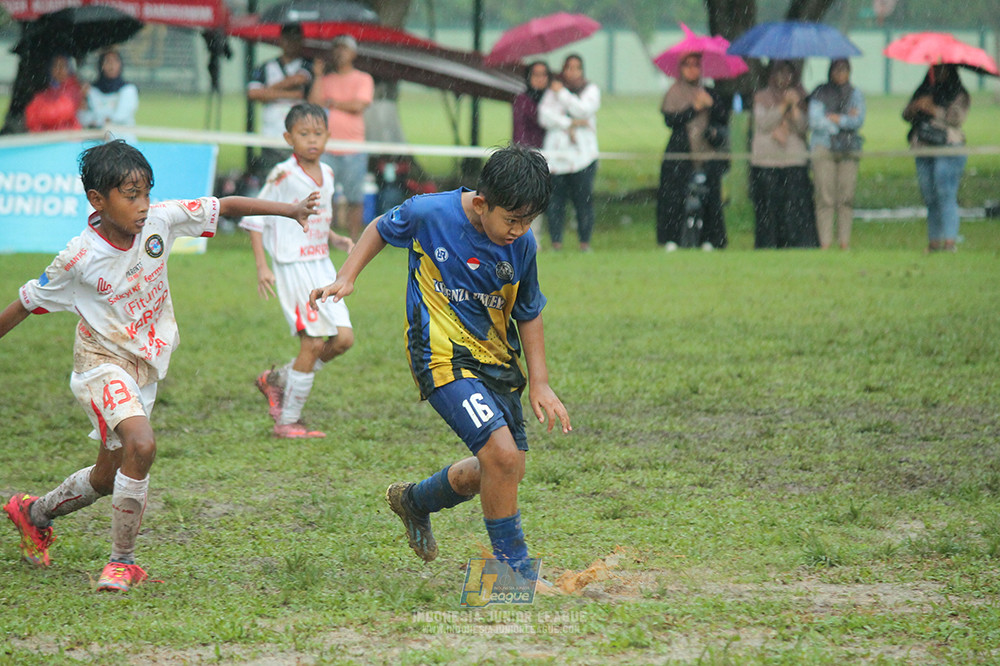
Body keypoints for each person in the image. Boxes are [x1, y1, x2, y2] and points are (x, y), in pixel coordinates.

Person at [1, 140, 317, 591]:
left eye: (147, 193)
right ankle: (122, 562)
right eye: (131, 196)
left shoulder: (161, 220)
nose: (144, 206)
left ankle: (33, 513)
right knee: (142, 445)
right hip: (100, 363)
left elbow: (224, 204)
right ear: (97, 200)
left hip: (144, 366)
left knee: (107, 478)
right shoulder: (77, 257)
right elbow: (25, 304)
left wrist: (288, 210)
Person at [309, 144, 571, 581]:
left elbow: (529, 310)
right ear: (483, 203)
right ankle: (515, 573)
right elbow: (379, 226)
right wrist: (347, 275)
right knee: (502, 456)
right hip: (440, 357)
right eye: (512, 219)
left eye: (528, 221)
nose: (519, 230)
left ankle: (415, 501)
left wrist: (541, 382)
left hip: (497, 362)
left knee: (506, 468)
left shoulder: (522, 245)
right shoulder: (431, 214)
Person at [241, 104, 355, 438]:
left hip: (321, 264)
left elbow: (321, 218)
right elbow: (254, 217)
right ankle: (287, 420)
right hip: (292, 266)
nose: (312, 140)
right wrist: (263, 266)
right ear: (289, 137)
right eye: (303, 134)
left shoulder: (329, 174)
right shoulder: (282, 174)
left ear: (328, 136)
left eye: (318, 133)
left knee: (344, 339)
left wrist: (333, 238)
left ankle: (277, 380)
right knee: (313, 343)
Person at [656, 52, 730, 251]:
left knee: (710, 195)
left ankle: (710, 238)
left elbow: (722, 117)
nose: (692, 69)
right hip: (681, 150)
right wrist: (694, 108)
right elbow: (671, 120)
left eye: (696, 65)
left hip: (707, 151)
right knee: (674, 195)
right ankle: (672, 237)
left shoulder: (709, 92)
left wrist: (711, 106)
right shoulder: (674, 92)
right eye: (687, 65)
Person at [308, 34, 375, 241]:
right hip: (327, 148)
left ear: (353, 53)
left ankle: (354, 238)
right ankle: (327, 236)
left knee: (355, 197)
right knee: (324, 196)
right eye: (336, 48)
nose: (339, 53)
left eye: (344, 48)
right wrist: (318, 75)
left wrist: (334, 103)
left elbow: (358, 105)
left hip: (353, 148)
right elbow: (314, 103)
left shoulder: (363, 78)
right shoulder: (326, 80)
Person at [749, 59, 818, 249]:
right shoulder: (762, 97)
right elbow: (764, 124)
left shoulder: (802, 97)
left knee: (795, 204)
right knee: (769, 206)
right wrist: (781, 107)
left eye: (788, 73)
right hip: (767, 159)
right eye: (779, 73)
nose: (783, 78)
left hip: (793, 159)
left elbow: (803, 127)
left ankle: (797, 242)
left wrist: (794, 106)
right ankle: (769, 243)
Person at [902, 64, 970, 253]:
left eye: (942, 70)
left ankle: (950, 241)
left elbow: (956, 119)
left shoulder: (958, 93)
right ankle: (934, 241)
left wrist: (934, 109)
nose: (938, 74)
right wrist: (916, 106)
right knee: (930, 196)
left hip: (948, 147)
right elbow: (905, 114)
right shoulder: (924, 90)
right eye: (935, 70)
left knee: (945, 193)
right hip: (924, 146)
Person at [538, 54, 600, 252]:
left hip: (583, 156)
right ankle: (556, 242)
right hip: (556, 157)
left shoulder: (590, 90)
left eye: (576, 68)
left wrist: (564, 95)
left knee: (583, 201)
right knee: (555, 202)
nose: (572, 72)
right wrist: (569, 123)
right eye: (569, 68)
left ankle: (584, 243)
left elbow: (583, 110)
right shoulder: (551, 91)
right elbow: (545, 116)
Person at [808, 59, 865, 250]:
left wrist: (835, 118)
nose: (840, 74)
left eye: (844, 70)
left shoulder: (855, 94)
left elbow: (857, 120)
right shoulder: (820, 92)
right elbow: (814, 120)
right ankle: (824, 242)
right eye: (837, 70)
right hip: (823, 146)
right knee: (825, 196)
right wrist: (842, 121)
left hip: (848, 148)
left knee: (846, 196)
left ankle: (844, 242)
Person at [247, 23, 314, 180]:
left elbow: (299, 79)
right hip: (271, 135)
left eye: (295, 39)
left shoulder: (307, 65)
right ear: (280, 41)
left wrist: (268, 92)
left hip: (299, 137)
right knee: (272, 179)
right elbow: (253, 93)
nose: (291, 43)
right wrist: (291, 94)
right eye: (287, 39)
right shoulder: (266, 67)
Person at [78, 49, 139, 129]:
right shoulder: (91, 91)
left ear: (120, 64)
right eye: (107, 61)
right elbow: (83, 117)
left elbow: (120, 117)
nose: (111, 65)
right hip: (97, 139)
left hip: (121, 138)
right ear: (101, 65)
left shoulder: (128, 90)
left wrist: (99, 122)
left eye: (115, 61)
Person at [24, 54, 85, 133]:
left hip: (69, 140)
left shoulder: (75, 89)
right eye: (55, 66)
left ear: (70, 70)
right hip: (48, 140)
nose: (59, 69)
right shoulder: (45, 93)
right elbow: (30, 120)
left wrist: (42, 115)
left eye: (63, 66)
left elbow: (63, 112)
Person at [512, 61, 551, 148]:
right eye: (536, 75)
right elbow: (519, 128)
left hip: (552, 151)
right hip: (529, 152)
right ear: (528, 77)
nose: (540, 79)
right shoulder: (522, 100)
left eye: (543, 75)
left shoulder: (552, 98)